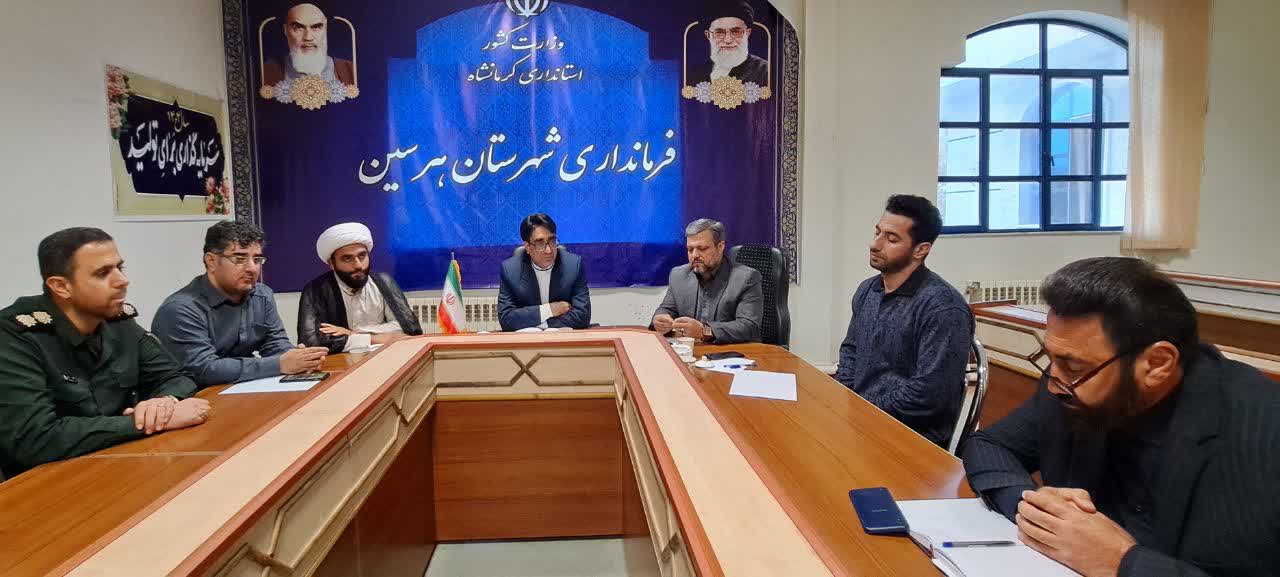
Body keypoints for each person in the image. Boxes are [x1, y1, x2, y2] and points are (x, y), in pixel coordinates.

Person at [962, 258, 1280, 577]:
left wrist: (1123, 562)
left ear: (1157, 364)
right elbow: (989, 445)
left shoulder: (1262, 433)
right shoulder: (1071, 388)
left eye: (1073, 367)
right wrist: (1034, 510)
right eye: (1052, 359)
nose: (1054, 383)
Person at [0, 228, 209, 477]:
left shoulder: (115, 320)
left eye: (120, 267)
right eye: (103, 273)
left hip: (120, 462)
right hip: (48, 480)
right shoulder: (15, 335)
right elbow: (34, 438)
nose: (122, 280)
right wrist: (144, 424)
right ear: (61, 286)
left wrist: (163, 403)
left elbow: (176, 376)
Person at [834, 195, 973, 446]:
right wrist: (847, 399)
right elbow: (850, 351)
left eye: (891, 239)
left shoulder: (943, 308)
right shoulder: (868, 290)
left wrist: (862, 411)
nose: (875, 244)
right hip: (862, 423)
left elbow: (928, 396)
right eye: (877, 232)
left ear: (921, 250)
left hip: (911, 438)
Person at [152, 221, 328, 387]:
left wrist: (300, 359)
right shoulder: (180, 309)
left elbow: (274, 343)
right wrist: (279, 364)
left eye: (257, 259)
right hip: (196, 395)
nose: (252, 268)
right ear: (211, 261)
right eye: (240, 259)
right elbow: (204, 369)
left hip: (245, 388)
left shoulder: (262, 294)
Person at [298, 222, 421, 353]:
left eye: (362, 256)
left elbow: (411, 329)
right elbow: (311, 342)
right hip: (340, 361)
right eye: (347, 259)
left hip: (383, 355)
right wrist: (374, 338)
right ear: (331, 264)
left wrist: (352, 333)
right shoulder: (315, 290)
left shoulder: (384, 281)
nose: (358, 265)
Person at [651, 219, 762, 344]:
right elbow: (666, 309)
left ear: (720, 247)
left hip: (732, 351)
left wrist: (705, 331)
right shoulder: (678, 275)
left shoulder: (746, 278)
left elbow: (749, 327)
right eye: (690, 249)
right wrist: (660, 320)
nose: (694, 255)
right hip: (691, 350)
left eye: (702, 248)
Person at [498, 213, 591, 331]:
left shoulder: (573, 265)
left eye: (552, 241)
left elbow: (583, 315)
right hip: (527, 340)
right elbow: (506, 319)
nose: (549, 250)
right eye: (540, 243)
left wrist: (542, 324)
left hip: (563, 338)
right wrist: (549, 310)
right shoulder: (510, 270)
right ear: (527, 247)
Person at [262, 3, 354, 86]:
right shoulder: (266, 72)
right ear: (286, 30)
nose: (308, 37)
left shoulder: (350, 70)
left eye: (316, 27)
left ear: (326, 28)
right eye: (298, 28)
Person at [687, 1, 769, 86]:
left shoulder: (766, 71)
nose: (728, 40)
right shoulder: (695, 75)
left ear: (747, 33)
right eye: (719, 32)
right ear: (708, 35)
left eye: (735, 32)